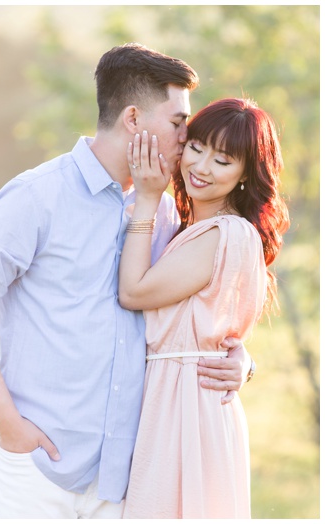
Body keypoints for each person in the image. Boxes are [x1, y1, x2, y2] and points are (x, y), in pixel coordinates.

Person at [0, 43, 254, 519]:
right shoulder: (37, 196)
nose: (186, 138)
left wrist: (241, 360)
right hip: (39, 468)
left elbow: (185, 312)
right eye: (177, 123)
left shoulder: (163, 208)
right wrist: (9, 426)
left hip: (124, 481)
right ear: (133, 119)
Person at [120, 98, 289, 518]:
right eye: (197, 148)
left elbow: (134, 293)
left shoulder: (226, 232)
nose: (202, 167)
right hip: (177, 399)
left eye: (223, 160)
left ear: (246, 174)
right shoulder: (193, 227)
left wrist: (145, 199)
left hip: (189, 409)